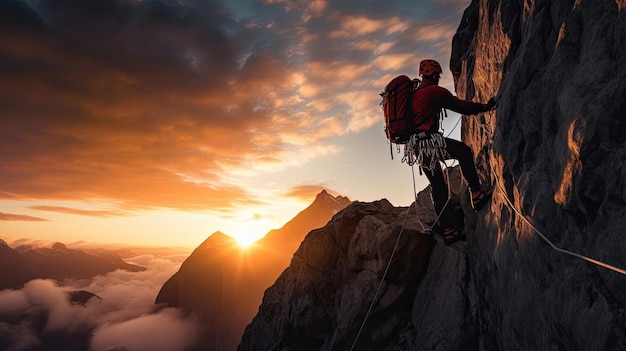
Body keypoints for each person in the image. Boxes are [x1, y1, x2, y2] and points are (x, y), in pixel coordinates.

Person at [411, 59, 495, 245]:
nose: (439, 78)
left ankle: (450, 230)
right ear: (434, 75)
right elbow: (459, 106)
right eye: (438, 75)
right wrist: (484, 107)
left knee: (438, 186)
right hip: (431, 142)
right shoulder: (433, 91)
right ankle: (477, 194)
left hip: (418, 148)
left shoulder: (414, 95)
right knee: (463, 152)